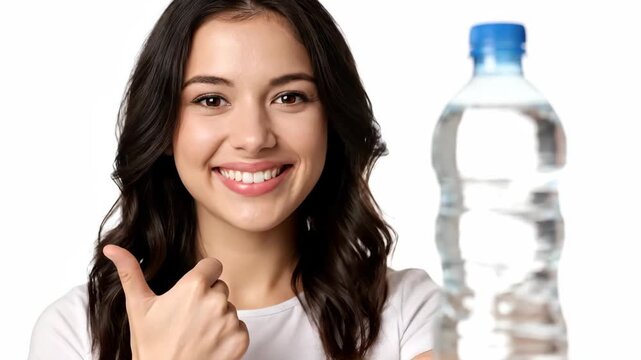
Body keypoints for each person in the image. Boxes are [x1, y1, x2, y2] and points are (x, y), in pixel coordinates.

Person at [27, 1, 439, 359]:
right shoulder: (75, 333)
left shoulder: (411, 314)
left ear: (330, 119)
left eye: (289, 97)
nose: (254, 138)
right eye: (211, 100)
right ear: (164, 126)